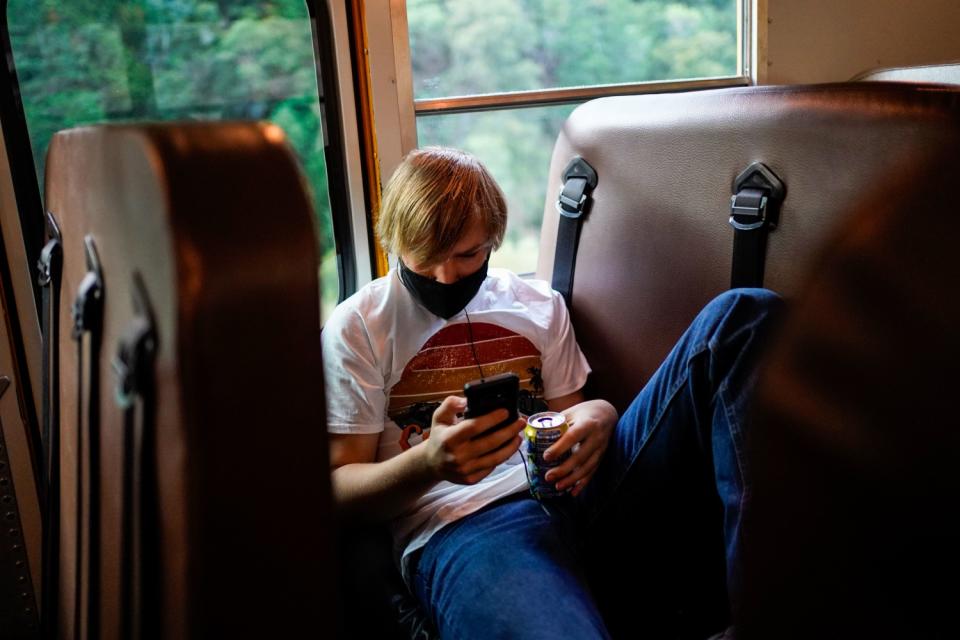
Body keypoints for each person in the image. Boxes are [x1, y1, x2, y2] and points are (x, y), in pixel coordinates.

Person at [322, 147, 784, 639]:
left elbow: (570, 414)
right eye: (425, 257)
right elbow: (339, 489)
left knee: (742, 318)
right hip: (470, 526)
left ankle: (768, 608)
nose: (445, 277)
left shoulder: (538, 304)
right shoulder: (359, 327)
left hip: (586, 492)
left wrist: (601, 415)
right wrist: (429, 462)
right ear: (395, 240)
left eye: (466, 255)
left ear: (494, 241)